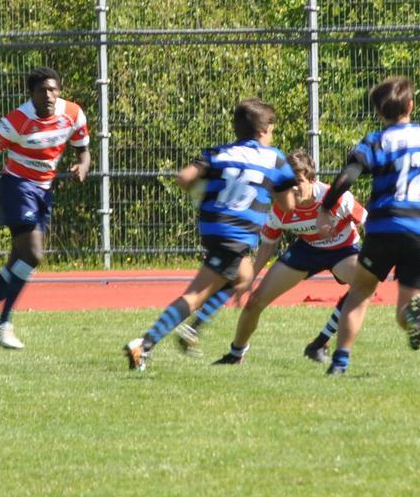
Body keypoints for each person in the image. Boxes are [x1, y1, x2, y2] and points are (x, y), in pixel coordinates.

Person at [316, 76, 420, 375]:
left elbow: (348, 176)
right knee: (407, 308)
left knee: (360, 291)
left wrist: (327, 206)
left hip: (386, 226)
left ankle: (339, 362)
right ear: (410, 105)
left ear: (379, 111)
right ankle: (413, 316)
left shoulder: (376, 141)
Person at [123, 97, 297, 371]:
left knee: (243, 277)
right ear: (264, 130)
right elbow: (288, 206)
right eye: (272, 130)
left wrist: (199, 193)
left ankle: (194, 329)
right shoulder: (275, 159)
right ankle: (144, 344)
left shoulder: (219, 153)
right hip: (235, 234)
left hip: (215, 229)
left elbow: (184, 178)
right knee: (195, 296)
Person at [0, 67, 90, 353]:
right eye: (42, 90)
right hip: (16, 187)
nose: (49, 95)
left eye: (53, 89)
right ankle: (3, 324)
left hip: (44, 191)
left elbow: (83, 149)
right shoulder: (16, 121)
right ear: (31, 94)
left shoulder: (73, 114)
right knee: (33, 254)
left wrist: (83, 166)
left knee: (17, 263)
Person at [203, 148, 367, 365]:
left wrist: (375, 257)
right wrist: (250, 278)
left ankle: (320, 342)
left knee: (363, 285)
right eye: (288, 183)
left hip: (343, 249)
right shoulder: (281, 208)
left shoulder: (336, 198)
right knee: (254, 302)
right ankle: (235, 354)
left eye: (298, 181)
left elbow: (369, 222)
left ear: (312, 180)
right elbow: (267, 245)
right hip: (307, 249)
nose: (293, 189)